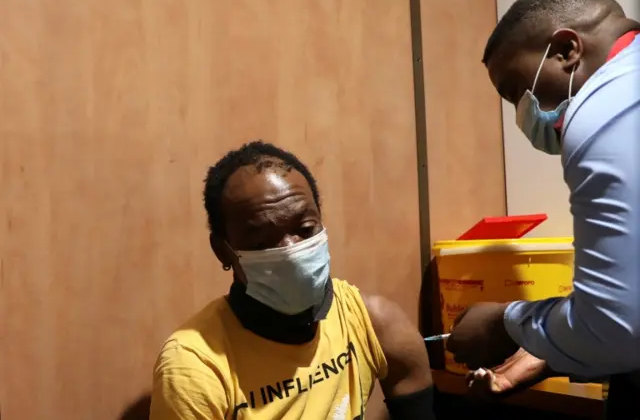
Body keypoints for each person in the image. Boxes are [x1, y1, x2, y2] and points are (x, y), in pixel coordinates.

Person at [446, 0, 640, 415]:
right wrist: (549, 348)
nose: (523, 113)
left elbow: (619, 328)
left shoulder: (604, 111)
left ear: (567, 50)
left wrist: (504, 323)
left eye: (517, 91)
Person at [149, 141, 436, 420]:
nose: (290, 250)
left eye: (305, 228)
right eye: (262, 240)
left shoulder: (370, 323)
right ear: (223, 251)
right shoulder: (194, 366)